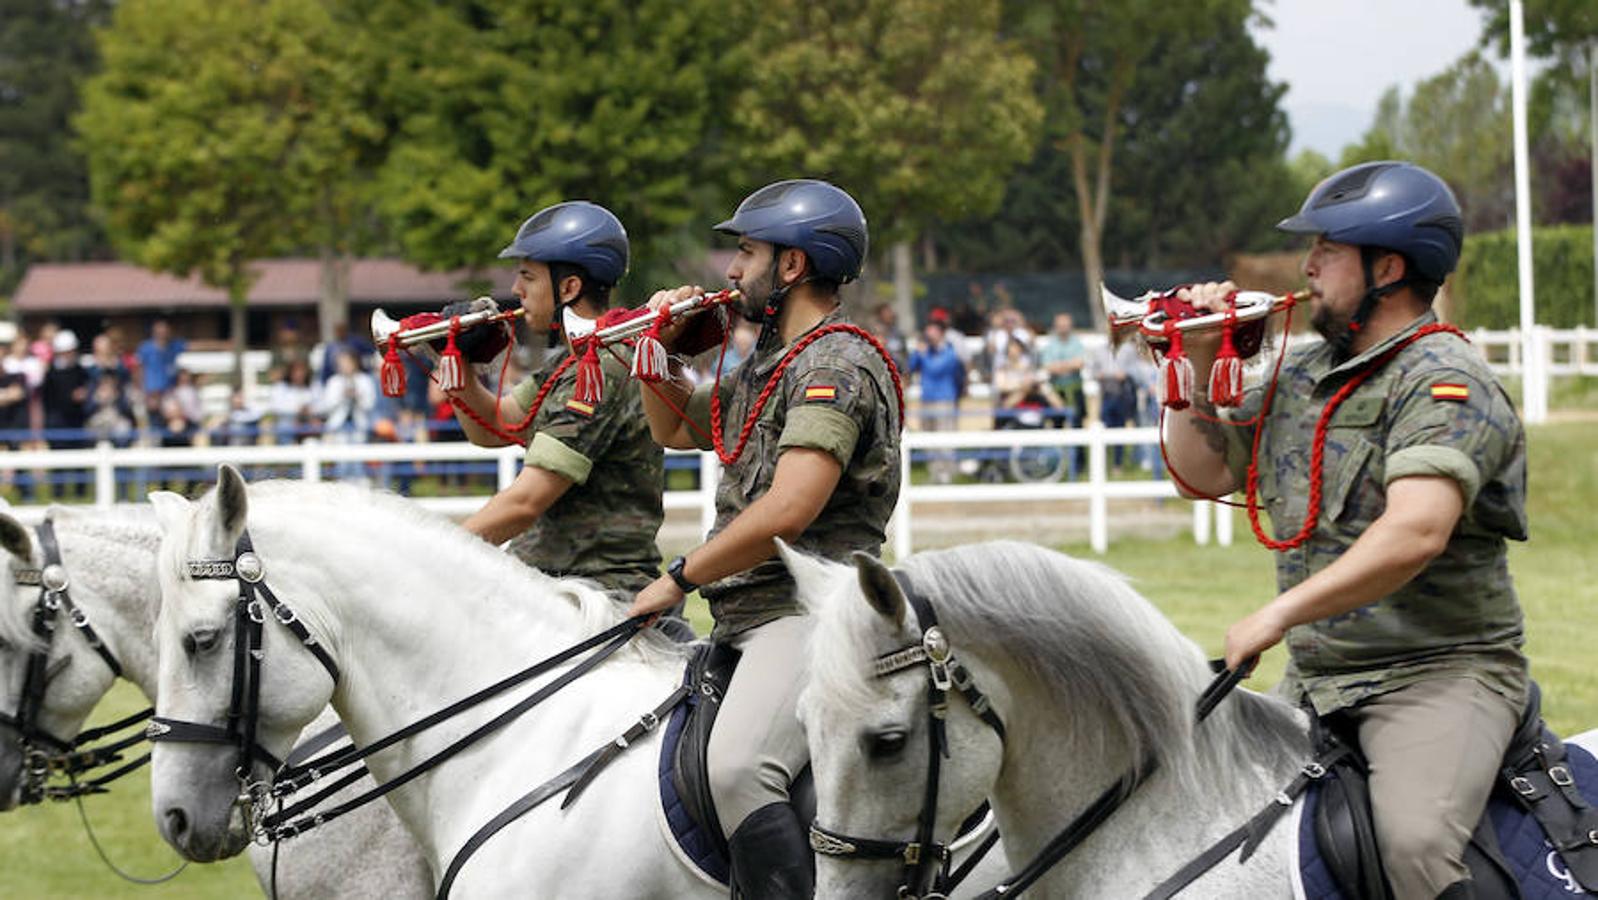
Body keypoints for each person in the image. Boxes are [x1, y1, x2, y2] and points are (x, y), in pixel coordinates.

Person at [1162, 161, 1526, 900]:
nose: (1308, 267)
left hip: (1437, 675)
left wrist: (1277, 613)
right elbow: (1202, 475)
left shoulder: (1443, 380)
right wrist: (1193, 361)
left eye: (1328, 250)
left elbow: (1417, 532)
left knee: (1417, 846)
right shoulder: (1303, 375)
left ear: (1387, 268)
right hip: (1318, 682)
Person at [627, 179, 899, 898]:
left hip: (809, 613)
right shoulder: (765, 363)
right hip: (747, 614)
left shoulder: (833, 365)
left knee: (739, 770)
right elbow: (673, 428)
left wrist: (677, 577)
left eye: (746, 252)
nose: (731, 270)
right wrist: (660, 354)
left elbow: (788, 510)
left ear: (792, 267)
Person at [440, 201, 666, 598]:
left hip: (597, 594)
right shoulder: (574, 359)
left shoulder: (602, 366)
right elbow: (498, 425)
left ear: (569, 287)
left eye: (527, 276)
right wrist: (458, 360)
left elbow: (525, 502)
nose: (516, 289)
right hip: (556, 585)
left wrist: (430, 555)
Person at [909, 311, 964, 483]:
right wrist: (918, 353)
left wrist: (923, 354)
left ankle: (947, 473)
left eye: (932, 330)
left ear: (940, 332)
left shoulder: (949, 352)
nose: (929, 333)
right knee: (928, 437)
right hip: (926, 399)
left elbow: (935, 369)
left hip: (944, 400)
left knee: (944, 437)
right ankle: (934, 472)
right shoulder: (925, 350)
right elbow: (910, 367)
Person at [135, 318, 186, 414]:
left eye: (164, 331)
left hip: (169, 392)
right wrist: (142, 391)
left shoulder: (175, 346)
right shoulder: (145, 348)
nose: (162, 334)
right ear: (154, 332)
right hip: (151, 393)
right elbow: (139, 370)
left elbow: (192, 347)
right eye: (159, 331)